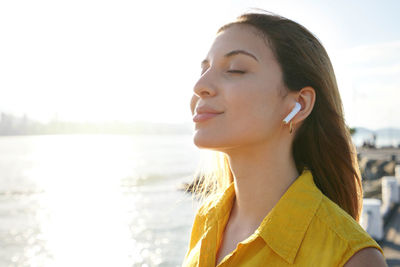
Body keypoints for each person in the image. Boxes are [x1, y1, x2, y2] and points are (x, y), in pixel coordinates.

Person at [183, 10, 387, 267]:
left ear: (299, 104)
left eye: (235, 70)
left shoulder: (351, 258)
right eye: (204, 69)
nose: (200, 85)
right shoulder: (206, 218)